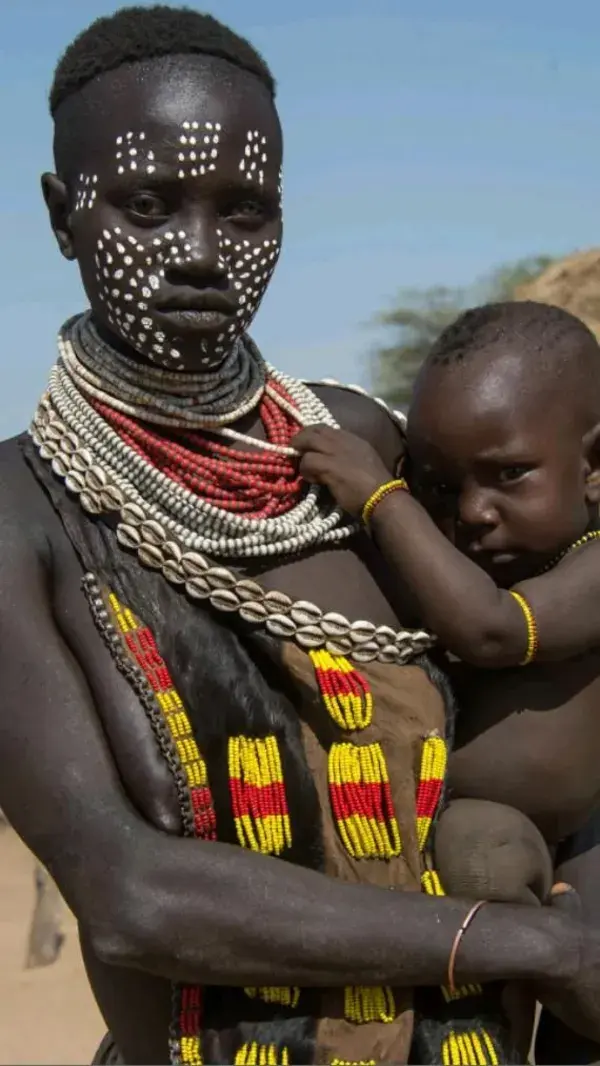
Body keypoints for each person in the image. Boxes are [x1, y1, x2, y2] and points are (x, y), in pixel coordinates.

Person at [0, 8, 597, 1064]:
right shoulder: (22, 512)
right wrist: (531, 944)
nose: (198, 255)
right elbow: (130, 893)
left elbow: (546, 655)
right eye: (145, 206)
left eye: (244, 211)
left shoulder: (357, 448)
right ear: (61, 214)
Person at [295, 299, 600, 1062]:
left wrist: (381, 498)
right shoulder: (451, 557)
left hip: (587, 837)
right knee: (480, 871)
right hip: (485, 843)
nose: (472, 513)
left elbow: (492, 630)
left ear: (595, 466)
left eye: (507, 476)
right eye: (440, 484)